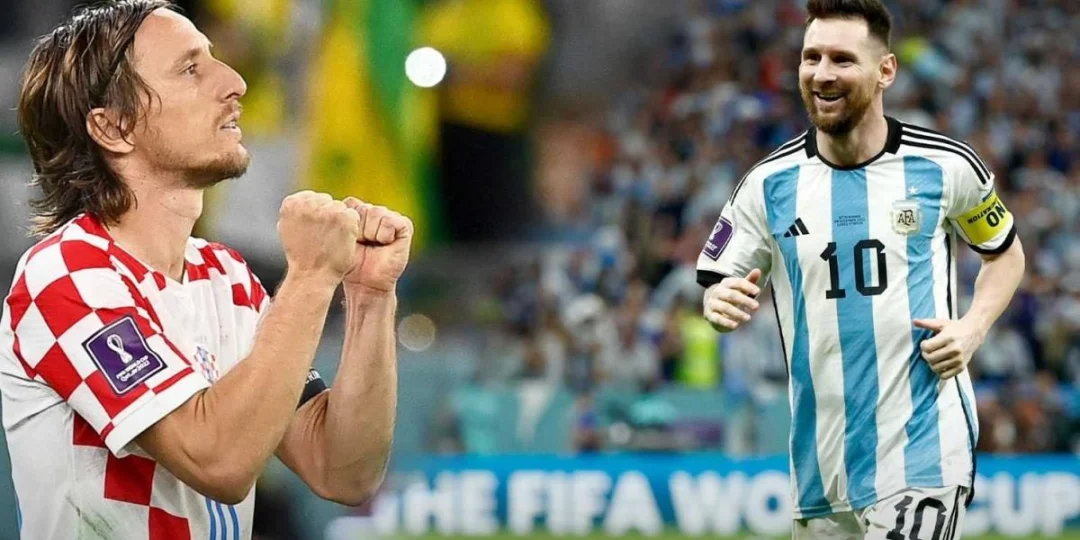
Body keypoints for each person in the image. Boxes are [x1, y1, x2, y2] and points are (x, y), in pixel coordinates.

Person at [1, 1, 412, 538]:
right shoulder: (64, 274)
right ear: (114, 126)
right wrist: (311, 275)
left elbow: (342, 471)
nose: (235, 83)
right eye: (191, 69)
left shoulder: (224, 275)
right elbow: (218, 462)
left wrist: (369, 296)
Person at [697, 0, 1024, 538]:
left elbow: (1005, 252)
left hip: (923, 448)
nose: (822, 74)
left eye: (843, 59)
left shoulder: (944, 166)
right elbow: (717, 276)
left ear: (885, 71)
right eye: (812, 57)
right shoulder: (767, 184)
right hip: (820, 465)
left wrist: (972, 327)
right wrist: (716, 301)